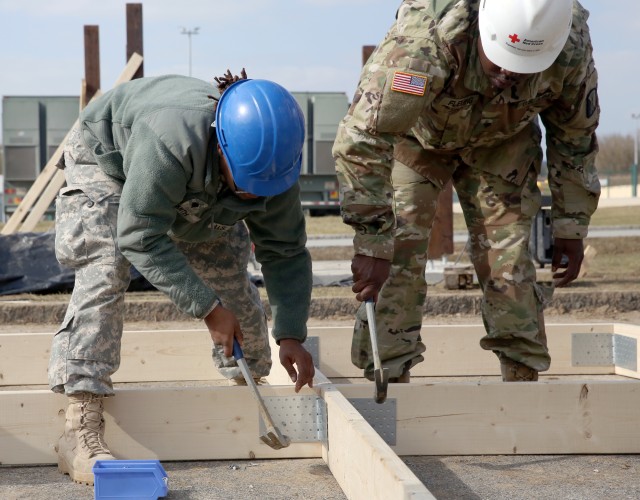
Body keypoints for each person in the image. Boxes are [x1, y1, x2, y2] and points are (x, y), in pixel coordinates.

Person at [49, 69, 315, 485]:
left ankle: (247, 391)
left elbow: (286, 252)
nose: (253, 198)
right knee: (108, 263)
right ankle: (79, 424)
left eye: (260, 191)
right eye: (245, 187)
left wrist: (292, 333)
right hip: (107, 161)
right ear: (222, 146)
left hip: (191, 183)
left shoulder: (274, 169)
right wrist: (207, 308)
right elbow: (139, 234)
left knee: (231, 278)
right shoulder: (170, 140)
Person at [332, 0, 600, 384]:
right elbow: (362, 138)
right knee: (398, 255)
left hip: (502, 143)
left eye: (523, 71)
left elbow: (575, 137)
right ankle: (388, 383)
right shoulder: (423, 44)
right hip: (417, 140)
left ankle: (521, 390)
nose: (508, 76)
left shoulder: (569, 44)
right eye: (500, 63)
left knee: (509, 265)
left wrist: (571, 225)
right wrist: (372, 242)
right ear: (483, 32)